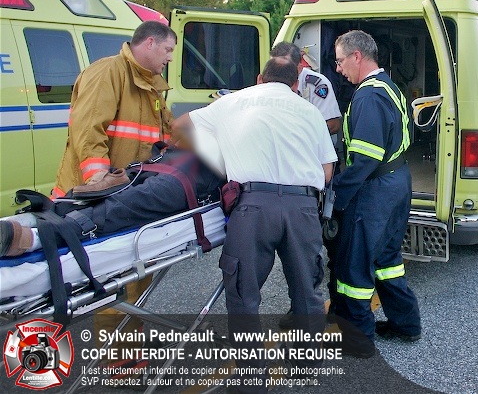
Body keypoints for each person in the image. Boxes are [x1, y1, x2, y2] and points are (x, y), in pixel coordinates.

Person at [177, 57, 337, 389]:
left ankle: (253, 380)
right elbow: (326, 172)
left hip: (253, 207)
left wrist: (219, 158)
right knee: (307, 291)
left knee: (244, 295)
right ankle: (305, 366)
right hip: (303, 208)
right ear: (296, 84)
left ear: (259, 78)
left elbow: (180, 126)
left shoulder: (233, 102)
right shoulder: (311, 112)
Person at [50, 19, 177, 354]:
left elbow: (165, 134)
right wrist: (98, 180)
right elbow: (88, 131)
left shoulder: (148, 85)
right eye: (167, 50)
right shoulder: (108, 73)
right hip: (97, 199)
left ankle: (130, 344)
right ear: (149, 43)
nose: (170, 58)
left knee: (135, 278)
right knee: (114, 283)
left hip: (128, 198)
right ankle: (120, 361)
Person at [330, 30, 421, 358]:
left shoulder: (368, 96)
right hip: (397, 181)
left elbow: (366, 159)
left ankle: (358, 338)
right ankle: (406, 323)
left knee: (355, 265)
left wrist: (336, 193)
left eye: (340, 61)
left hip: (376, 191)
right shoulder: (389, 86)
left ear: (357, 56)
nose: (338, 69)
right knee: (387, 259)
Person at [0, 148, 223, 258]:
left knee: (126, 204)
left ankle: (34, 238)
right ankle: (27, 221)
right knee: (98, 194)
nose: (161, 74)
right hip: (174, 164)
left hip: (195, 176)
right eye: (166, 52)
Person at [270, 42, 344, 328]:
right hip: (285, 171)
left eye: (287, 66)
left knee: (320, 245)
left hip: (316, 171)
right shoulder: (270, 83)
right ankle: (300, 306)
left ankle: (331, 306)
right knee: (294, 249)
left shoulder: (316, 84)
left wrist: (300, 129)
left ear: (300, 63)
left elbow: (334, 122)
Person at [270, 42, 342, 135]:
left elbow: (333, 125)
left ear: (299, 68)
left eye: (284, 68)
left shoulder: (317, 84)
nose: (278, 72)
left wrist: (300, 136)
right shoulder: (269, 83)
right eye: (273, 67)